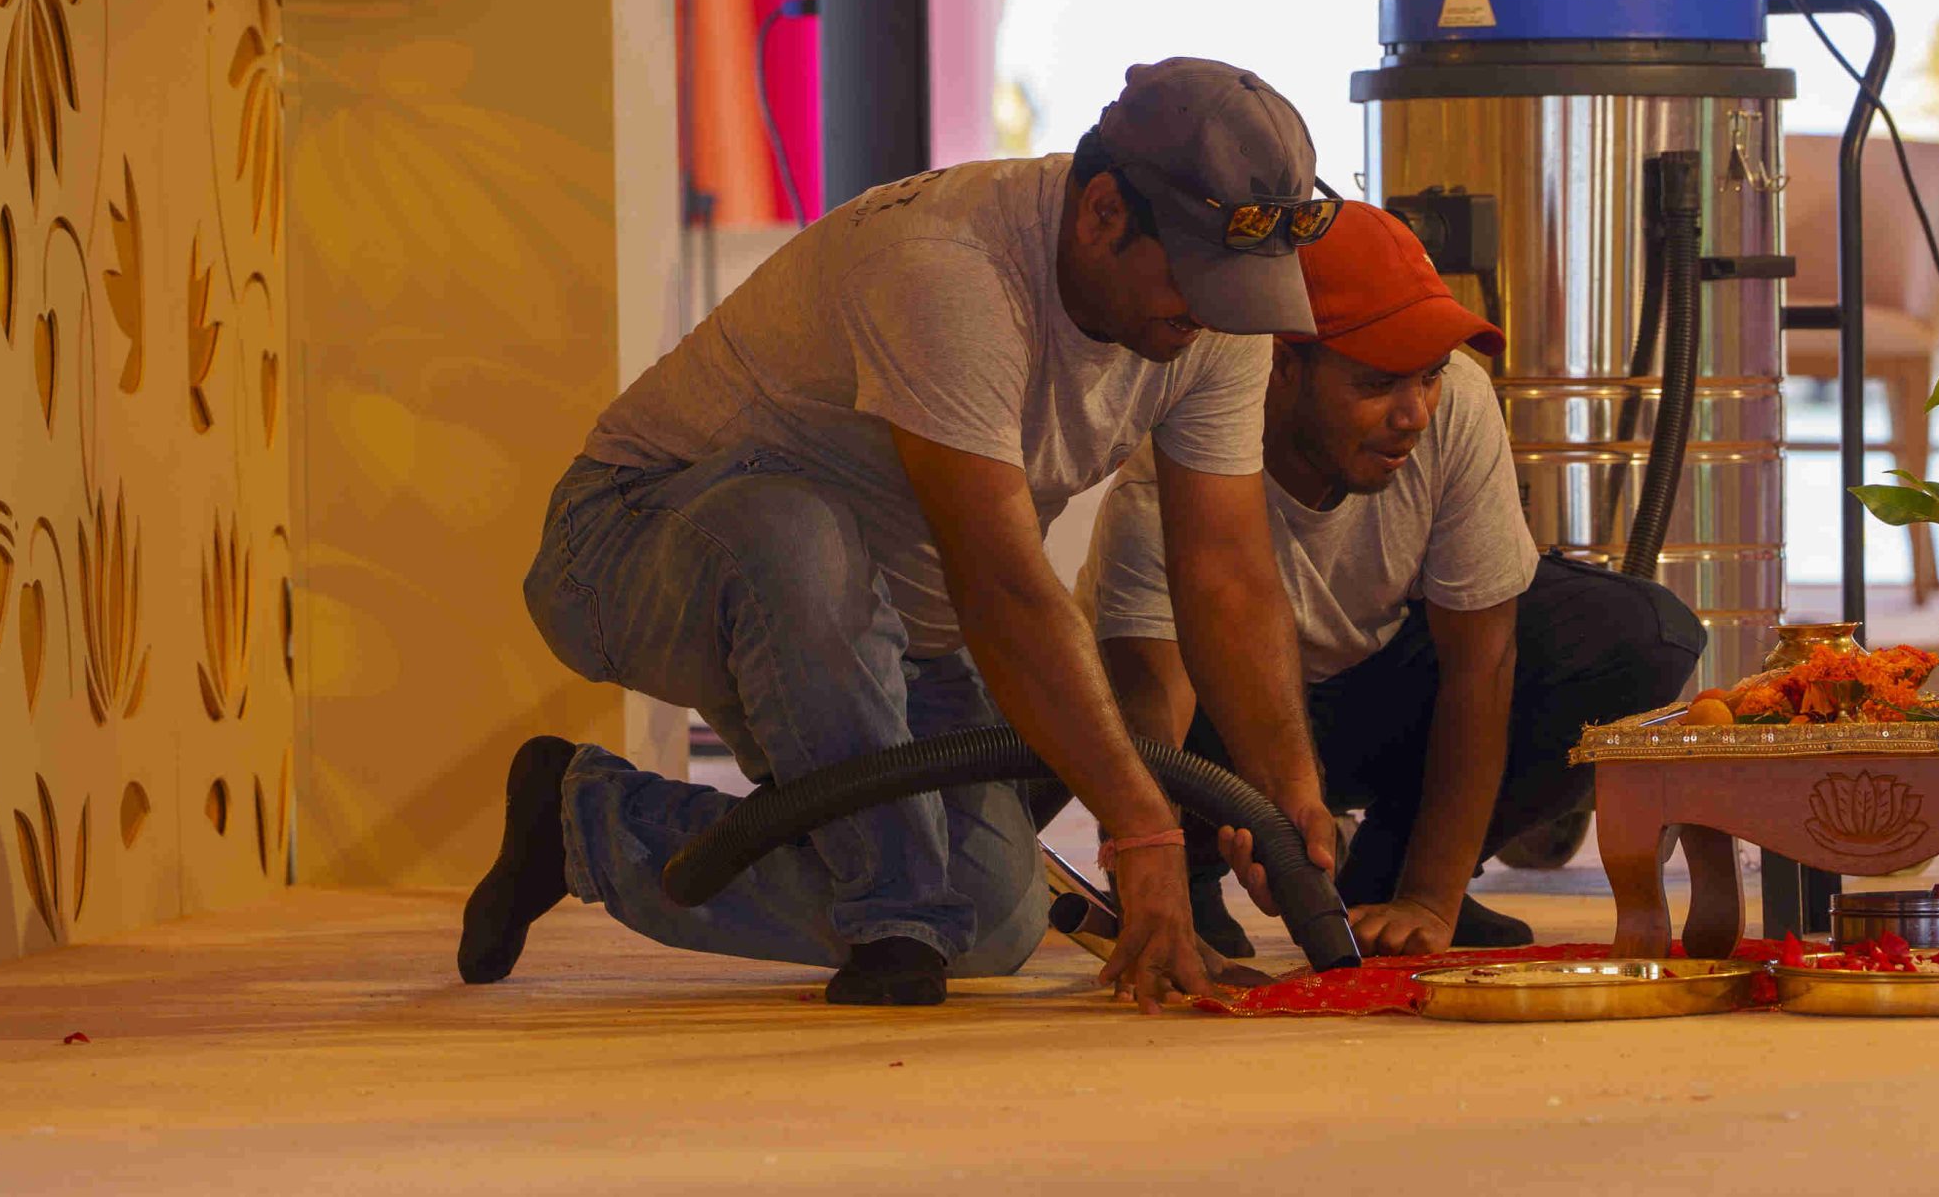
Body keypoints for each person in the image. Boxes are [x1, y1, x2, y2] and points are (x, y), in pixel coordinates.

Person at [463, 58, 1340, 1010]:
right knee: (797, 529)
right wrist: (1141, 831)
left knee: (992, 918)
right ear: (1101, 213)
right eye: (1198, 281)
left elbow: (1226, 575)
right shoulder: (948, 268)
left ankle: (582, 822)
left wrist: (1290, 794)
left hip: (882, 627)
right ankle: (894, 924)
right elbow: (1000, 585)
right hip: (632, 545)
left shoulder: (1215, 319)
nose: (1215, 318)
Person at [1079, 202, 1704, 957]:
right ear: (1283, 363)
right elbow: (1152, 720)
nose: (1414, 413)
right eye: (1377, 381)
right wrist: (1157, 871)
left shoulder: (1454, 408)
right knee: (1120, 722)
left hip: (1372, 693)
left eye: (1430, 375)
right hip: (1215, 723)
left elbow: (1483, 664)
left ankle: (1388, 881)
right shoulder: (1173, 469)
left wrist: (1430, 900)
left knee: (1641, 635)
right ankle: (1197, 875)